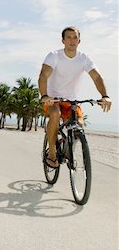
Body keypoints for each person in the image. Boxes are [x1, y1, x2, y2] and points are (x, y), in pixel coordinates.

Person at [38, 26, 111, 168]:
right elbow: (43, 75)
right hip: (52, 99)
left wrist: (105, 95)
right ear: (63, 40)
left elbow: (96, 77)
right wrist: (45, 95)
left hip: (71, 101)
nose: (72, 40)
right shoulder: (54, 56)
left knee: (79, 124)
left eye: (75, 37)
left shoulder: (83, 58)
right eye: (68, 37)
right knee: (54, 113)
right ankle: (52, 154)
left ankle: (66, 149)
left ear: (79, 41)